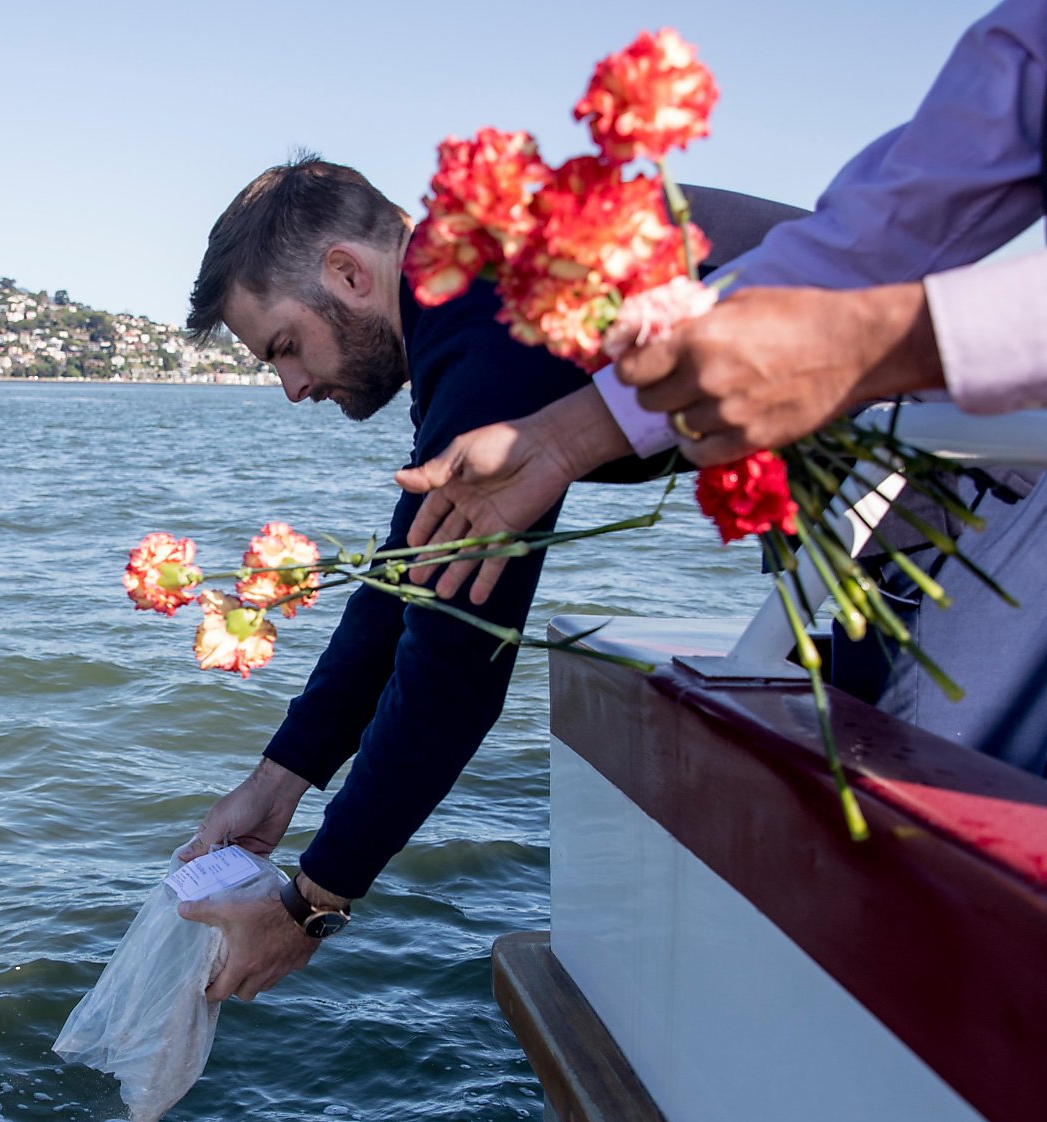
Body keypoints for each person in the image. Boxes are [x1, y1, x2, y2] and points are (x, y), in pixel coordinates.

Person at [172, 156, 802, 1002]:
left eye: (284, 346)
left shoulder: (484, 319)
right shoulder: (468, 285)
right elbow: (409, 577)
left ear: (349, 273)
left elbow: (453, 669)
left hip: (946, 440)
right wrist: (279, 778)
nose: (291, 386)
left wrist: (310, 905)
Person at [397, 0, 1047, 768]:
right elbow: (875, 235)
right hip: (921, 494)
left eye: (285, 348)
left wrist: (860, 346)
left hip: (988, 476)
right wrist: (562, 441)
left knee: (944, 766)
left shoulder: (461, 323)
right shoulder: (1020, 37)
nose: (294, 387)